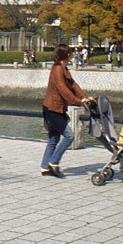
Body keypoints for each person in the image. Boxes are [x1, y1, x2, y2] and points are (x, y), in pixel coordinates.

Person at [41, 44, 93, 178]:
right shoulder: (58, 69)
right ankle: (53, 163)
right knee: (69, 136)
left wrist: (84, 97)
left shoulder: (63, 68)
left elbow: (73, 85)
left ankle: (45, 167)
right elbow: (63, 89)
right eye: (71, 53)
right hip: (52, 108)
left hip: (56, 107)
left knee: (54, 138)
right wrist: (78, 101)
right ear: (68, 55)